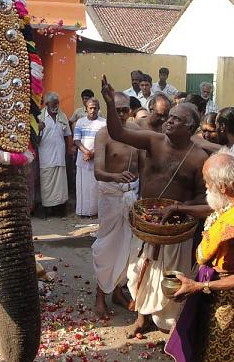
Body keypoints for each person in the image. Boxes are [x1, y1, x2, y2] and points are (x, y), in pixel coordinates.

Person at [101, 75, 208, 337]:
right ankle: (142, 318)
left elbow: (202, 198)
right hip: (146, 222)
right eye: (169, 117)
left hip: (176, 228)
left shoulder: (198, 158)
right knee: (140, 274)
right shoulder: (152, 140)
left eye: (177, 119)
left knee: (170, 278)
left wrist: (178, 209)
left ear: (191, 127)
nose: (169, 121)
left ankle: (170, 327)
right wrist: (109, 104)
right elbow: (118, 132)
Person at [165, 150, 234, 362]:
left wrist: (199, 287)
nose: (204, 185)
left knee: (218, 354)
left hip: (227, 303)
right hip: (212, 293)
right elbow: (213, 211)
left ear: (223, 188)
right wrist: (180, 208)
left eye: (207, 181)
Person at [92, 92, 139, 318]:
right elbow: (98, 171)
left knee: (130, 248)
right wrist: (115, 177)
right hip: (111, 197)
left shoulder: (138, 133)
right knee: (107, 247)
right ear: (109, 110)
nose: (121, 114)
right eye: (116, 109)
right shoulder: (103, 135)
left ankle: (118, 292)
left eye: (124, 110)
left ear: (130, 110)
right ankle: (100, 295)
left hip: (132, 197)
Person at [38, 92, 73, 217]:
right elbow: (36, 139)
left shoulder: (62, 116)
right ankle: (48, 210)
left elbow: (68, 135)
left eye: (57, 103)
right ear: (47, 104)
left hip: (59, 156)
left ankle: (60, 209)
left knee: (61, 185)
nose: (56, 106)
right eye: (53, 104)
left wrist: (69, 150)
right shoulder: (40, 117)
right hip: (46, 157)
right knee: (47, 184)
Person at [74, 98, 107, 218]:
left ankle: (95, 212)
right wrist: (86, 152)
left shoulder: (104, 123)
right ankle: (82, 212)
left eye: (95, 108)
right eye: (90, 108)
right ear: (86, 109)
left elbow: (105, 141)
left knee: (95, 186)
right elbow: (76, 140)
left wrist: (93, 153)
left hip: (98, 159)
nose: (93, 110)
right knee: (83, 186)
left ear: (98, 109)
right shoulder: (80, 122)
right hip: (83, 158)